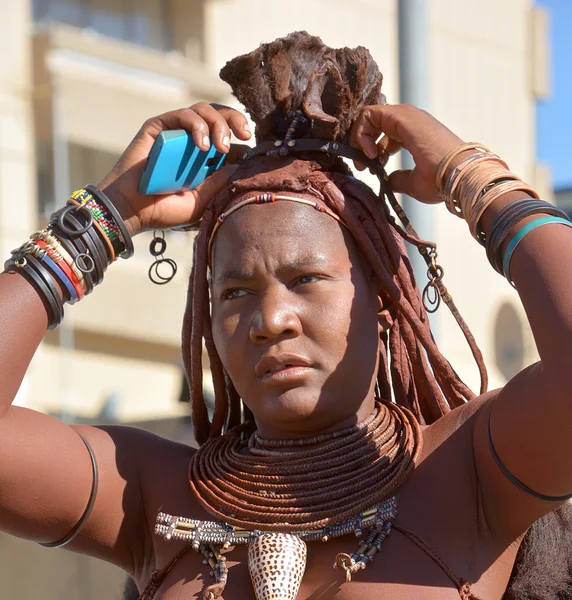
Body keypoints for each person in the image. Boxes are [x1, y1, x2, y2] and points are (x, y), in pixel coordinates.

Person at [0, 32, 571, 600]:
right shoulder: (147, 493)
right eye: (234, 293)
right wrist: (108, 215)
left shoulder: (469, 472)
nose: (270, 319)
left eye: (306, 280)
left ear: (381, 296)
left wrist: (470, 175)